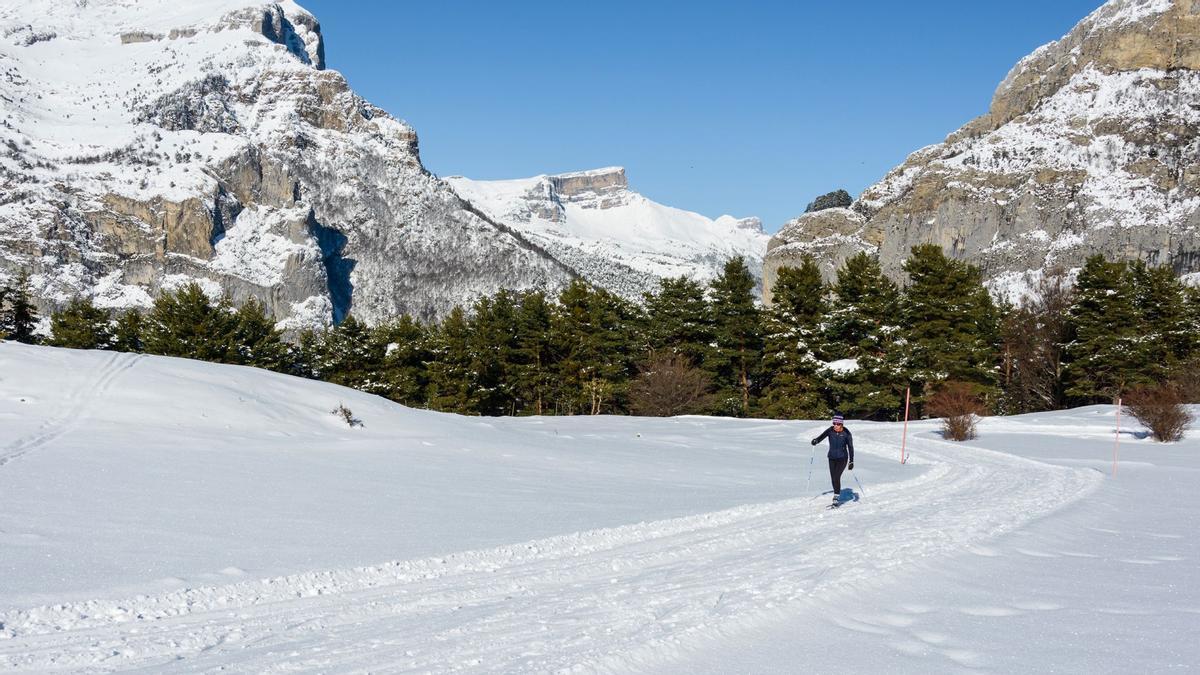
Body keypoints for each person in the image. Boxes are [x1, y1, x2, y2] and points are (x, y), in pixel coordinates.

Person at [811, 413, 854, 502]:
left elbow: (850, 447)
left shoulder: (846, 433)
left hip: (842, 458)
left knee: (836, 477)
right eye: (834, 423)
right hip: (831, 457)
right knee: (833, 478)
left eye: (838, 424)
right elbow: (821, 437)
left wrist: (851, 461)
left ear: (842, 424)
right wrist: (816, 441)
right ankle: (836, 493)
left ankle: (836, 497)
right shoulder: (830, 430)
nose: (835, 426)